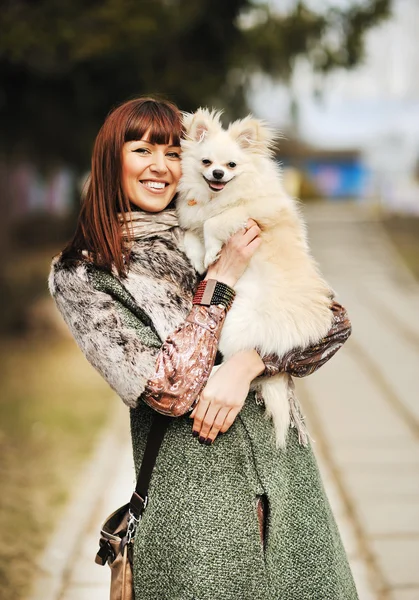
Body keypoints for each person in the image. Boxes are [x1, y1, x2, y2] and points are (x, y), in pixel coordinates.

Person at [49, 97, 358, 600]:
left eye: (173, 152)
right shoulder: (85, 273)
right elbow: (168, 389)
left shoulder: (219, 216)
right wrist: (221, 280)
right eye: (142, 149)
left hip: (285, 480)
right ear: (111, 160)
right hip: (196, 499)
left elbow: (331, 323)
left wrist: (247, 363)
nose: (160, 166)